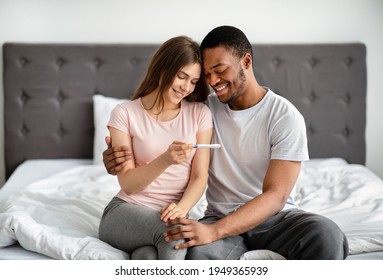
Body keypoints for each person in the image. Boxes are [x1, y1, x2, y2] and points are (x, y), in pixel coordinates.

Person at [103, 26, 349, 260]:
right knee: (194, 255)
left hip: (275, 219)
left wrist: (214, 232)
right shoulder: (205, 109)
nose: (213, 81)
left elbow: (276, 195)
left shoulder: (285, 116)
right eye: (208, 75)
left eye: (220, 70)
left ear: (247, 62)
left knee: (327, 235)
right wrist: (114, 157)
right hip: (218, 216)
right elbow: (160, 129)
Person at [98, 36, 213, 260]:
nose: (186, 87)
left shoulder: (200, 114)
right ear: (163, 68)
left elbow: (200, 176)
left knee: (147, 257)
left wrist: (182, 208)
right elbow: (128, 184)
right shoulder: (124, 113)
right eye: (181, 76)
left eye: (193, 81)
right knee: (174, 234)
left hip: (170, 215)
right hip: (124, 211)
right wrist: (166, 159)